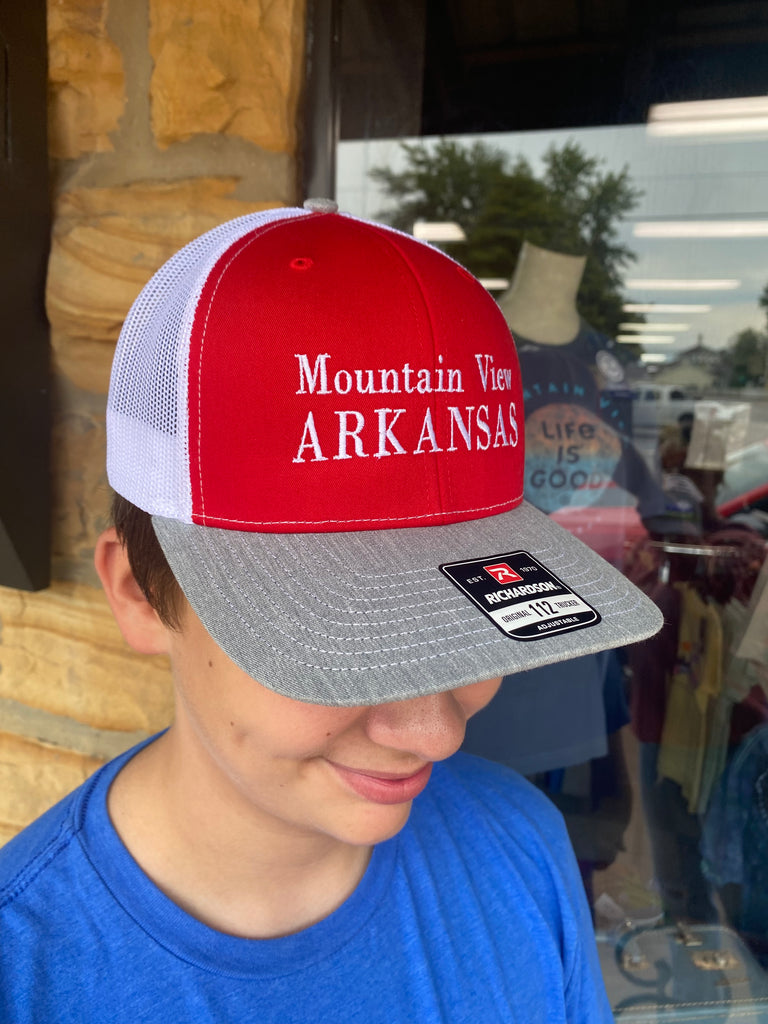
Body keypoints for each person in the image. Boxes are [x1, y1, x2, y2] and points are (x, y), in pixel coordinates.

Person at [0, 200, 662, 1022]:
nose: (438, 734)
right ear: (140, 594)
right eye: (347, 645)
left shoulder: (520, 846)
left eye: (465, 623)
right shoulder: (27, 978)